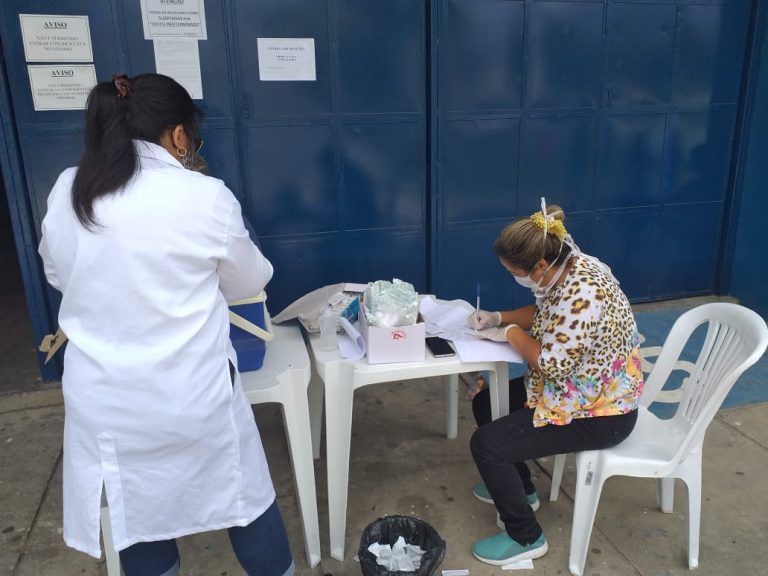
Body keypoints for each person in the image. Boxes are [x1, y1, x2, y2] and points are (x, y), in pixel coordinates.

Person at [38, 74, 293, 576]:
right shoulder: (202, 195)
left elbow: (56, 273)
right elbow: (249, 281)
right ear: (179, 136)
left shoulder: (70, 189)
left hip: (106, 404)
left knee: (137, 516)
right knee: (242, 498)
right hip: (193, 398)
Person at [466, 199, 643, 566]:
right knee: (485, 404)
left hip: (600, 412)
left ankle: (525, 536)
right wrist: (497, 317)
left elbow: (552, 364)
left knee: (487, 445)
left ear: (540, 266)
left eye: (514, 272)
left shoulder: (584, 293)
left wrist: (510, 333)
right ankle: (523, 490)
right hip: (578, 390)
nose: (513, 277)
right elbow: (545, 310)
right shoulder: (568, 263)